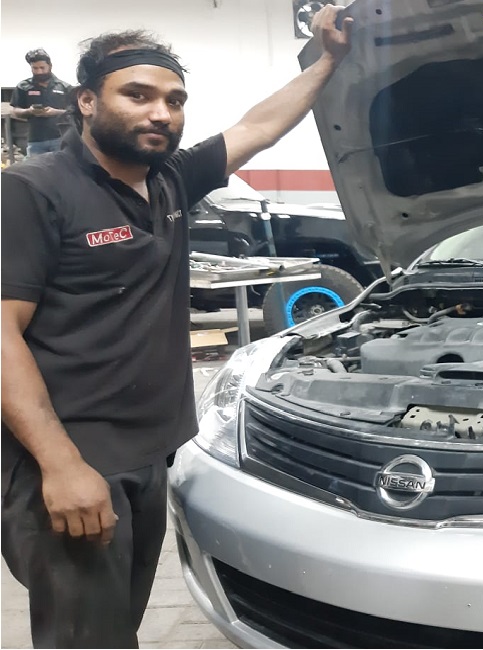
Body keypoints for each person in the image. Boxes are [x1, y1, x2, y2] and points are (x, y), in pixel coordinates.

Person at [0, 6, 352, 647]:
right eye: (137, 95)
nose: (161, 112)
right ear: (86, 101)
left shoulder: (169, 180)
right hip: (75, 457)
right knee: (85, 639)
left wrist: (329, 61)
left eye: (175, 99)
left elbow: (259, 126)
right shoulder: (33, 190)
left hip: (148, 453)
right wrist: (60, 465)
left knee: (118, 629)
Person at [9, 49, 72, 156]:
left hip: (60, 138)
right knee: (35, 167)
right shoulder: (23, 87)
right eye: (35, 68)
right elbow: (15, 111)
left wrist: (56, 112)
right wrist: (29, 111)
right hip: (35, 140)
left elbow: (73, 111)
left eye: (42, 68)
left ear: (50, 66)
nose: (39, 72)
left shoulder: (64, 87)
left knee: (61, 166)